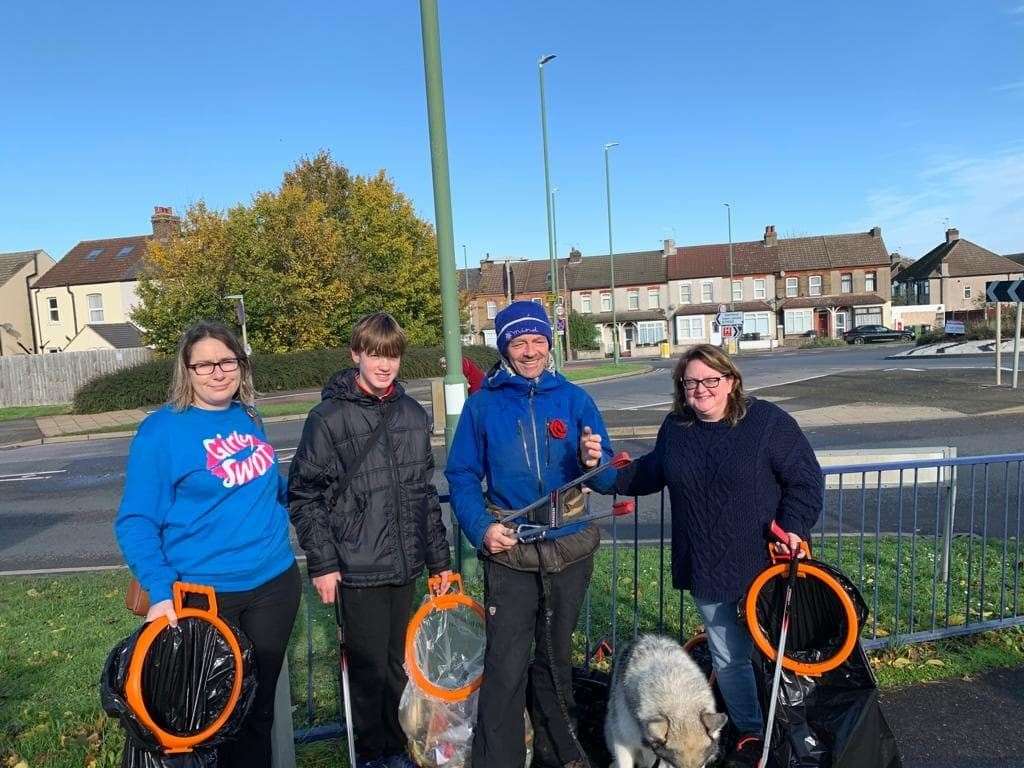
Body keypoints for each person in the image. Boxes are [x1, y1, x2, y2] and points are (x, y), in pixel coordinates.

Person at [601, 343, 822, 768]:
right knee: (730, 658)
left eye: (710, 380)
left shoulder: (767, 423)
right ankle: (753, 731)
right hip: (708, 565)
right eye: (690, 382)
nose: (701, 389)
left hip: (767, 564)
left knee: (780, 655)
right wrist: (602, 475)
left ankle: (794, 728)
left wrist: (793, 528)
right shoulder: (677, 428)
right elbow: (647, 473)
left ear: (731, 382)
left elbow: (805, 480)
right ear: (681, 388)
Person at [115, 320, 299, 767]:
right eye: (205, 364)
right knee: (205, 717)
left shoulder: (248, 416)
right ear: (187, 370)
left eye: (227, 361)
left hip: (274, 584)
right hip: (206, 596)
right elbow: (136, 520)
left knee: (256, 712)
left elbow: (265, 485)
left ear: (240, 365)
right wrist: (159, 592)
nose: (218, 372)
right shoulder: (162, 431)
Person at [445, 300, 616, 768]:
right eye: (519, 343)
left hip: (570, 551)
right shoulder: (482, 407)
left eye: (537, 340)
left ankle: (559, 755)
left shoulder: (576, 399)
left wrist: (594, 460)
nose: (530, 351)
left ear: (549, 343)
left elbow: (605, 479)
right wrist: (481, 529)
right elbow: (460, 476)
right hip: (511, 555)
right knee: (505, 665)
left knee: (556, 660)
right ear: (504, 348)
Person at [288, 312, 452, 768]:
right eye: (375, 354)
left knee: (402, 665)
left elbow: (424, 495)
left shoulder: (412, 415)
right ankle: (372, 752)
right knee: (366, 669)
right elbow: (305, 494)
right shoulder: (328, 418)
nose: (384, 365)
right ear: (356, 355)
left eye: (393, 355)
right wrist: (322, 564)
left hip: (405, 564)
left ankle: (399, 746)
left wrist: (440, 564)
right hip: (357, 565)